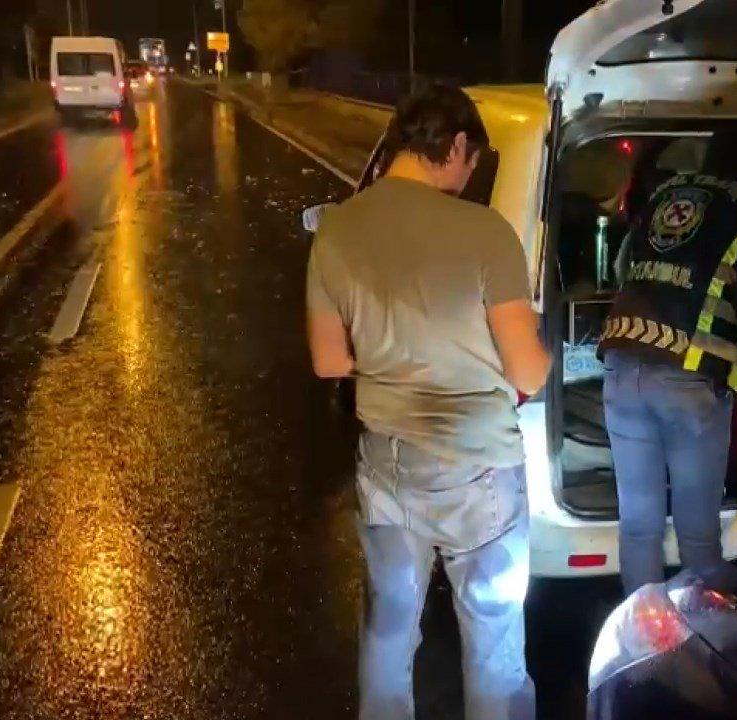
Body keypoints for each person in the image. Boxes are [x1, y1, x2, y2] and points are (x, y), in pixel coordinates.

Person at [305, 83, 550, 720]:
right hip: (480, 474)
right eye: (473, 164)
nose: (469, 179)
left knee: (388, 630)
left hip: (387, 467)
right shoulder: (486, 231)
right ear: (458, 145)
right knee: (493, 638)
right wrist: (543, 352)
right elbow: (527, 369)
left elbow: (329, 360)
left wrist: (393, 357)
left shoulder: (337, 228)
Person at [599, 129, 737, 595]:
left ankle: (642, 631)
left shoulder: (665, 193)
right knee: (698, 538)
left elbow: (623, 267)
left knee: (638, 525)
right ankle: (711, 631)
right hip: (688, 380)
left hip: (622, 365)